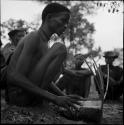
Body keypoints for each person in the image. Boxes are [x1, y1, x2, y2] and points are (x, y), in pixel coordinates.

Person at [6, 3, 83, 109]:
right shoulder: (34, 37)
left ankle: (39, 100)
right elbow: (15, 77)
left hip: (30, 96)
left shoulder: (45, 44)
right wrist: (54, 99)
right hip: (18, 97)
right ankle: (38, 100)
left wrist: (63, 97)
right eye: (63, 20)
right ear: (49, 17)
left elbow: (42, 80)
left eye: (67, 23)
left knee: (58, 50)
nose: (65, 25)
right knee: (60, 48)